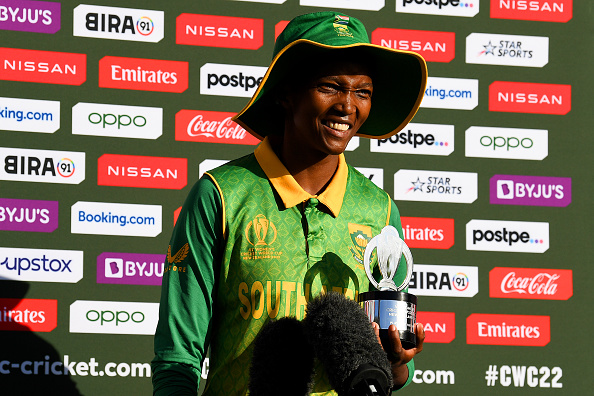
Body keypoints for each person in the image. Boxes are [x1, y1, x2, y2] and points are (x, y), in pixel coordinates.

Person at [152, 11, 427, 395]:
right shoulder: (220, 194)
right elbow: (177, 360)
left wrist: (396, 363)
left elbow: (393, 374)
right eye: (330, 86)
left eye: (362, 92)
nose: (347, 105)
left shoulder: (379, 211)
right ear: (285, 92)